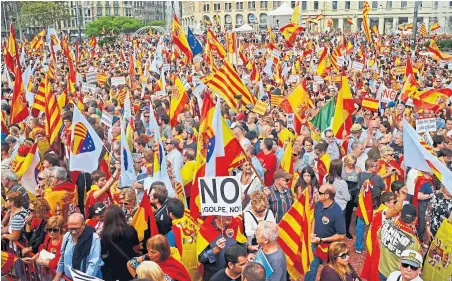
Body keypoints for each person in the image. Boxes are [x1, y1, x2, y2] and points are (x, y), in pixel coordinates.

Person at [361, 191, 406, 281]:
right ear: (386, 203)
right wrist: (401, 198)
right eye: (394, 202)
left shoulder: (384, 209)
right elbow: (396, 210)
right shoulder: (383, 212)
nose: (396, 203)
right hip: (380, 244)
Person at [305, 184, 346, 281]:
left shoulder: (337, 212)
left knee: (327, 272)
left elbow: (342, 235)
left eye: (319, 193)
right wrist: (312, 233)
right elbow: (315, 218)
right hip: (315, 244)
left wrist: (322, 240)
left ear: (327, 195)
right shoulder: (319, 204)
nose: (317, 194)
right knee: (310, 269)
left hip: (329, 249)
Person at [53, 213, 103, 281]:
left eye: (76, 229)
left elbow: (93, 264)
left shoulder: (94, 238)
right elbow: (62, 258)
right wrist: (57, 277)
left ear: (83, 224)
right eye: (70, 229)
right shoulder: (67, 236)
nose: (73, 232)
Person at [377, 204, 421, 281]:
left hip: (382, 268)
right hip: (397, 276)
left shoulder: (387, 223)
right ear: (415, 219)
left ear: (400, 214)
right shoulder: (413, 242)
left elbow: (379, 238)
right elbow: (411, 264)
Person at [197, 215, 247, 280]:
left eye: (230, 215)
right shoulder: (205, 229)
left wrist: (248, 249)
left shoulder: (234, 225)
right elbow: (201, 258)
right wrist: (215, 250)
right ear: (217, 215)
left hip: (235, 275)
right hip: (214, 275)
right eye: (226, 215)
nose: (230, 217)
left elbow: (242, 244)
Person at [100, 204, 140, 281]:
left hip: (114, 269)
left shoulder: (104, 234)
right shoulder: (130, 230)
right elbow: (137, 248)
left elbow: (104, 254)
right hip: (131, 266)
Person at [166, 198, 202, 281]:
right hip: (200, 267)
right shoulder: (194, 222)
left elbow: (171, 256)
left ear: (171, 214)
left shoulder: (173, 233)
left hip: (185, 272)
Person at [342, 154, 361, 239]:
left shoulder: (357, 170)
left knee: (352, 212)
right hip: (343, 193)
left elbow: (360, 184)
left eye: (354, 164)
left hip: (353, 194)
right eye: (350, 164)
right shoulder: (342, 169)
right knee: (344, 213)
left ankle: (350, 229)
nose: (352, 166)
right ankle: (342, 229)